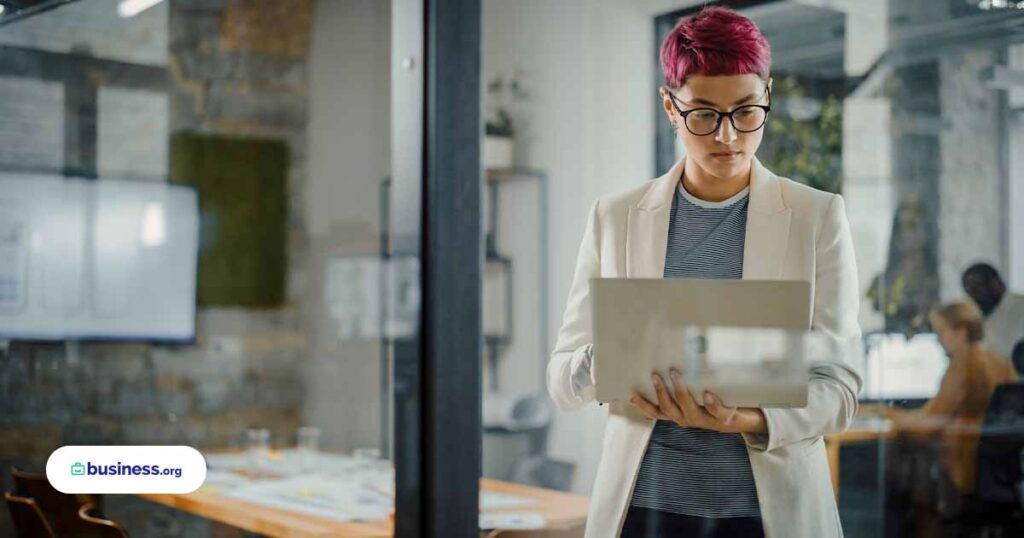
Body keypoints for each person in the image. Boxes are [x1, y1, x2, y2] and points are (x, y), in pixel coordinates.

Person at [546, 7, 861, 538]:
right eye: (703, 114)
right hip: (643, 512)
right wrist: (614, 358)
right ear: (670, 106)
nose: (727, 136)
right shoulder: (615, 217)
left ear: (767, 98)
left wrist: (746, 420)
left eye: (745, 112)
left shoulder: (815, 217)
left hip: (765, 516)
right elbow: (561, 382)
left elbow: (841, 390)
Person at [961, 262, 1024, 361]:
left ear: (995, 284)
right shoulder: (974, 317)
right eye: (969, 290)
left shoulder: (1020, 306)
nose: (973, 296)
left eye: (978, 288)